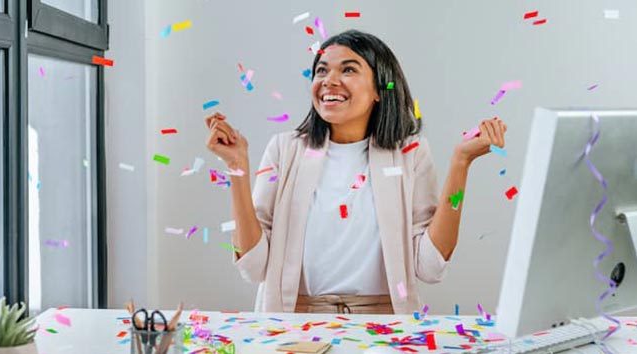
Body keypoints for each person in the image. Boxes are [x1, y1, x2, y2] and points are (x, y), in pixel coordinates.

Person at [204, 30, 507, 314]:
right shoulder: (285, 149)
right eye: (321, 70)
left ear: (379, 89)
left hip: (384, 323)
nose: (329, 80)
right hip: (296, 321)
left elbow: (430, 265)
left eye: (348, 70)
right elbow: (253, 267)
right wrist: (237, 167)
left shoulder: (410, 153)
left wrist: (461, 164)